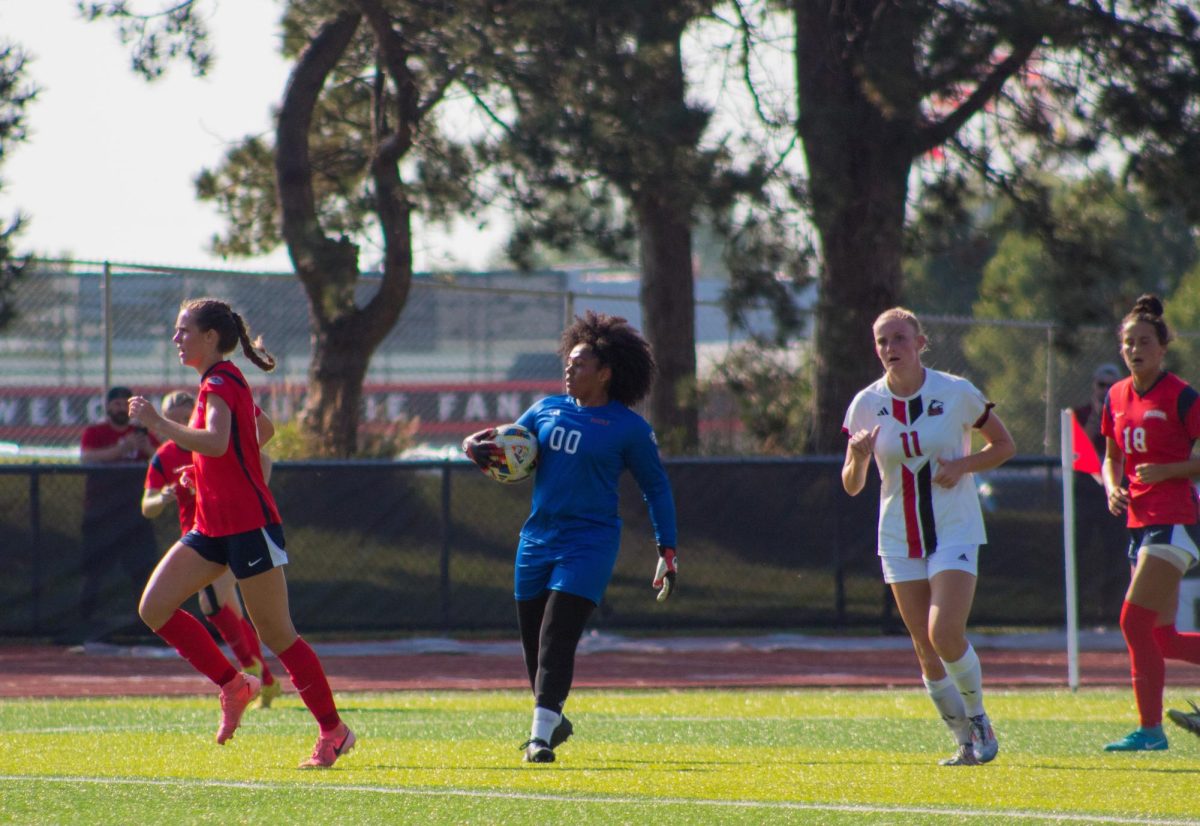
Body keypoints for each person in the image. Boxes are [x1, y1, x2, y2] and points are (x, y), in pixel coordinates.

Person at [127, 297, 354, 768]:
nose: (176, 339)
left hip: (250, 526)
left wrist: (159, 424)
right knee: (154, 608)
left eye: (183, 330)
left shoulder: (220, 381)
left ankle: (334, 731)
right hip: (212, 526)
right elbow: (259, 431)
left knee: (278, 634)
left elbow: (218, 440)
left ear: (211, 338)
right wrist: (206, 473)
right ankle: (235, 684)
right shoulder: (220, 383)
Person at [462, 311, 678, 764]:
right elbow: (502, 444)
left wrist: (667, 548)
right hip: (537, 539)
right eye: (569, 361)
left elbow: (655, 486)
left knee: (557, 635)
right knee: (534, 644)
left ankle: (539, 739)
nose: (569, 369)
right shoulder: (544, 409)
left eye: (580, 364)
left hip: (589, 543)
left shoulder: (630, 428)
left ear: (605, 373)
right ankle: (552, 718)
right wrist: (473, 448)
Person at [842, 307, 1016, 766]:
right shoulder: (865, 403)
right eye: (881, 341)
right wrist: (858, 458)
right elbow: (852, 483)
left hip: (955, 528)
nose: (889, 348)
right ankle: (962, 740)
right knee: (923, 643)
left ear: (920, 343)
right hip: (899, 536)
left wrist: (963, 465)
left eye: (899, 338)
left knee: (944, 631)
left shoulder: (955, 392)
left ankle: (979, 717)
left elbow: (1004, 445)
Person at [1099, 294, 1200, 752]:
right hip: (1139, 522)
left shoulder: (1182, 396)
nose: (1134, 349)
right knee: (1163, 638)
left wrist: (1167, 470)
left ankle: (1150, 731)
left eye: (1143, 341)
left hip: (1175, 520)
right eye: (1127, 342)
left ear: (1162, 348)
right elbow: (1110, 457)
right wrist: (1110, 486)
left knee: (1132, 622)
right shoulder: (1116, 395)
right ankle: (1150, 730)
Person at [141, 390, 283, 710]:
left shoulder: (210, 442)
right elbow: (147, 507)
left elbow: (263, 459)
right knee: (222, 607)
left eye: (184, 417)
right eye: (172, 418)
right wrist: (162, 497)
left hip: (230, 531)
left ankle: (249, 670)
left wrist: (250, 494)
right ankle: (267, 681)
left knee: (215, 601)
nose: (179, 423)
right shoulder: (164, 456)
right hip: (197, 541)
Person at [77, 385, 161, 635]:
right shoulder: (95, 432)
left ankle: (147, 626)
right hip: (100, 516)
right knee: (94, 572)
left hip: (135, 516)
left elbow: (162, 458)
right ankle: (84, 623)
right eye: (116, 404)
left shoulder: (141, 433)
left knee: (143, 571)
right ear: (108, 407)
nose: (121, 408)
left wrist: (145, 447)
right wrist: (120, 450)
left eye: (125, 404)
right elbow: (87, 457)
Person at [1071, 363, 1129, 620]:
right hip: (1085, 492)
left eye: (1111, 386)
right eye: (1101, 385)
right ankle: (1076, 614)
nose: (1105, 391)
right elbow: (1076, 449)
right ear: (1094, 385)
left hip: (1115, 492)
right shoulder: (1080, 413)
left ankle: (1110, 613)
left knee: (1116, 552)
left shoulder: (1126, 413)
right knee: (1078, 552)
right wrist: (1096, 418)